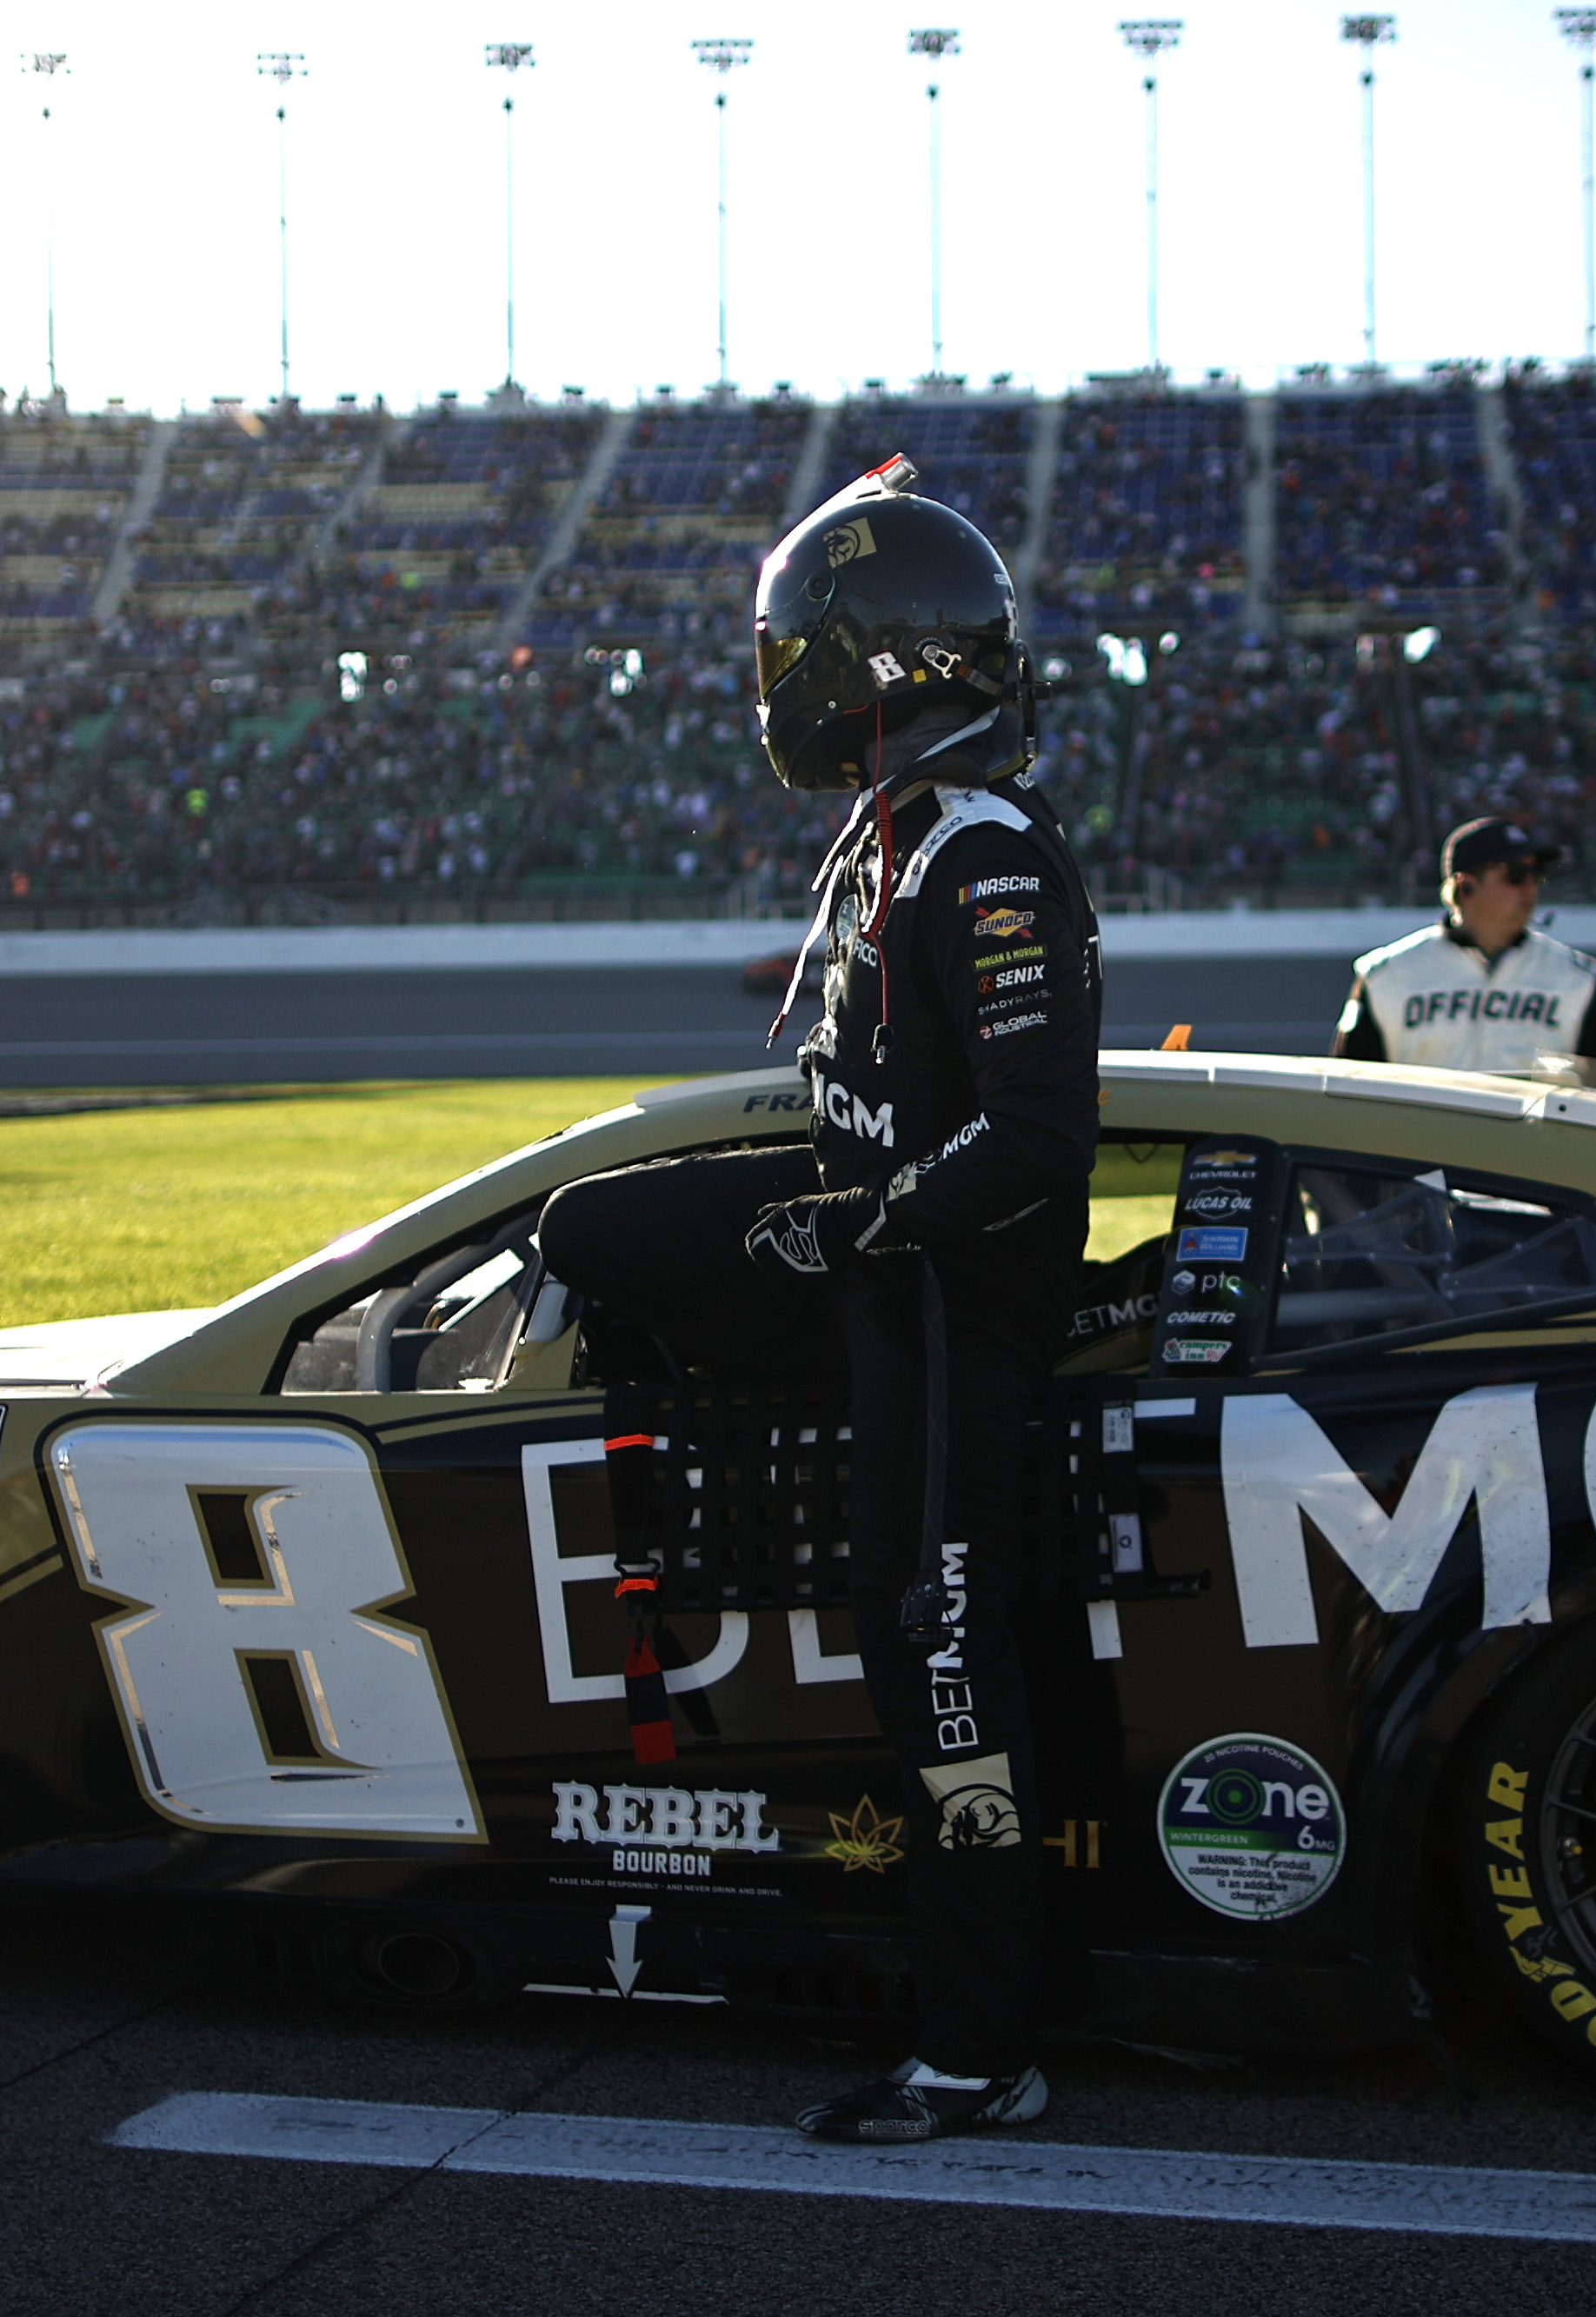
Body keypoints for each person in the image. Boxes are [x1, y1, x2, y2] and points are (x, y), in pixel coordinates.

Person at [535, 456, 1098, 2145]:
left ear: (874, 664)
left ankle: (980, 2054)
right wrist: (824, 1230)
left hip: (947, 1313)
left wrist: (858, 1227)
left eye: (795, 656)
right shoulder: (895, 835)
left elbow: (1037, 1140)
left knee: (936, 1657)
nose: (779, 688)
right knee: (589, 1228)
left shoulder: (983, 858)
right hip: (875, 1273)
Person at [1332, 816, 1596, 1075]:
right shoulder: (1385, 974)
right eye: (1515, 875)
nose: (1530, 887)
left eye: (1537, 874)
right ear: (1465, 886)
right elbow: (1350, 1084)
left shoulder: (1577, 977)